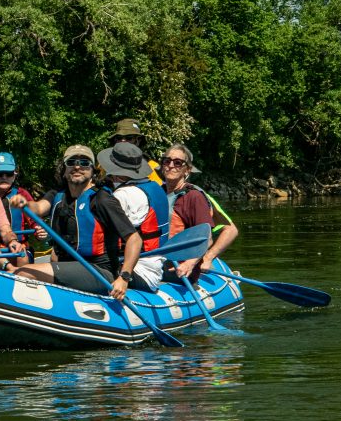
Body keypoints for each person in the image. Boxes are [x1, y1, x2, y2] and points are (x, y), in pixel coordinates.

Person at [8, 145, 145, 299]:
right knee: (12, 273)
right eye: (71, 162)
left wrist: (124, 278)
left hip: (98, 271)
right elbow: (38, 208)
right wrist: (24, 204)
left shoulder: (101, 200)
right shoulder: (57, 195)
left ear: (93, 170)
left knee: (24, 272)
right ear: (64, 170)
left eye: (85, 163)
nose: (77, 166)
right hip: (70, 266)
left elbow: (134, 239)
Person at [96, 141, 168, 292]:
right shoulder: (156, 186)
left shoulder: (124, 195)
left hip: (139, 271)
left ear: (116, 172)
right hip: (156, 266)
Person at [160, 142, 238, 279]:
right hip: (156, 262)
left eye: (178, 163)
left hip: (178, 268)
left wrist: (201, 260)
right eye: (167, 161)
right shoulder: (157, 193)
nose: (171, 165)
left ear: (187, 170)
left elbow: (214, 235)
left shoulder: (195, 196)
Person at [0, 151, 46, 266]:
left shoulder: (21, 194)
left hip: (19, 248)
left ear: (14, 176)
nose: (4, 177)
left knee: (21, 256)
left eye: (8, 174)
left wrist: (39, 229)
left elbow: (35, 220)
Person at [109, 118, 163, 185]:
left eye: (129, 138)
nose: (123, 141)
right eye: (119, 138)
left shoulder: (152, 167)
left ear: (138, 141)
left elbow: (156, 192)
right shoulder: (105, 165)